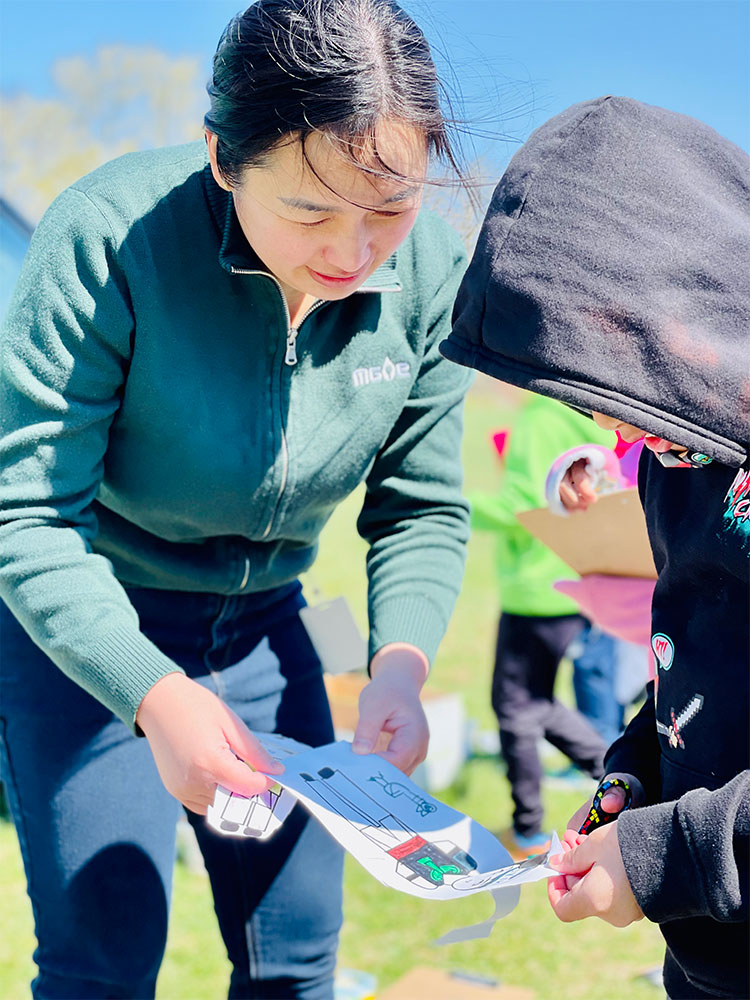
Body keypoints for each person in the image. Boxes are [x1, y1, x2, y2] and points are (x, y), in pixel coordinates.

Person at [0, 2, 474, 997]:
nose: (352, 254)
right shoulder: (106, 239)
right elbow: (31, 516)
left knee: (296, 955)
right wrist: (154, 693)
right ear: (223, 156)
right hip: (94, 637)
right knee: (103, 957)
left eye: (389, 207)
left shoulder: (431, 275)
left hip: (265, 632)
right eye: (310, 211)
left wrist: (398, 663)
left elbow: (420, 507)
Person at [441, 96, 749, 999]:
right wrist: (636, 775)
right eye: (583, 394)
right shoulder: (675, 460)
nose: (611, 421)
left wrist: (659, 862)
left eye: (623, 359)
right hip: (708, 960)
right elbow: (692, 666)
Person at [470, 393, 615, 857]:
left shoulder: (539, 418)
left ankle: (529, 829)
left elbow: (525, 503)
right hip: (573, 578)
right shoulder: (581, 415)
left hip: (536, 589)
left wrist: (448, 504)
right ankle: (619, 773)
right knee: (533, 702)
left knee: (515, 708)